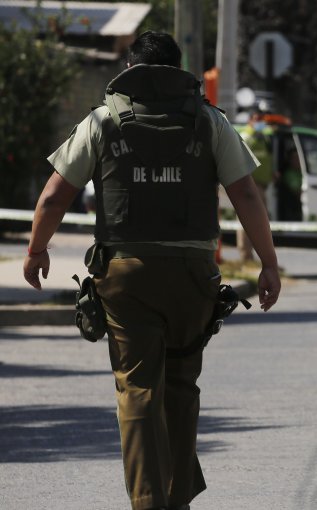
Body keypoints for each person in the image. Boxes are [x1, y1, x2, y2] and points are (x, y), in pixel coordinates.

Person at [22, 31, 280, 510]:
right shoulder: (209, 122)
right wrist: (268, 262)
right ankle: (176, 498)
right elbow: (246, 193)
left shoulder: (102, 122)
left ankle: (147, 501)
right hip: (192, 277)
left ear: (130, 68)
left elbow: (56, 194)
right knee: (181, 384)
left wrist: (37, 250)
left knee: (138, 386)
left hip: (125, 275)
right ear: (179, 71)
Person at [237, 110, 274, 261]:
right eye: (257, 119)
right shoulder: (247, 137)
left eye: (262, 119)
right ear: (250, 120)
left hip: (262, 185)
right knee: (248, 219)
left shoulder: (263, 137)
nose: (260, 123)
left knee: (259, 221)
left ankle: (253, 256)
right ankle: (246, 255)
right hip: (251, 184)